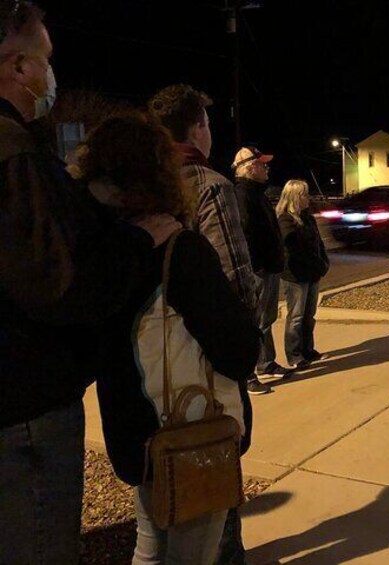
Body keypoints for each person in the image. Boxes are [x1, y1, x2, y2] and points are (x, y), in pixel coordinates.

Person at [0, 4, 175, 563]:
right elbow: (64, 284)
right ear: (20, 67)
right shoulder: (14, 154)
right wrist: (139, 239)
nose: (52, 73)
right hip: (25, 413)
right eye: (46, 59)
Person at [79, 113, 260, 564]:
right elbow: (238, 352)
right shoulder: (179, 249)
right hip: (188, 435)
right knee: (191, 553)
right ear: (161, 172)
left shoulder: (97, 248)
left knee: (150, 545)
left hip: (134, 435)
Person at [147, 84, 271, 397]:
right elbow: (236, 278)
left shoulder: (136, 182)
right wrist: (245, 348)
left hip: (145, 354)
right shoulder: (209, 185)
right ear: (199, 128)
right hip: (200, 351)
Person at [232, 145, 288, 378]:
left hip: (269, 266)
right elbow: (246, 235)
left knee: (266, 318)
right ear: (250, 168)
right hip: (260, 269)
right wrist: (257, 266)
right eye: (262, 164)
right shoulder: (244, 195)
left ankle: (266, 363)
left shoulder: (257, 193)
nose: (267, 168)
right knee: (258, 321)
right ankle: (252, 371)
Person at [276, 179, 329, 369]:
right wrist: (316, 262)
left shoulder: (308, 217)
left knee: (309, 314)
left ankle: (308, 349)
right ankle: (294, 355)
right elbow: (296, 249)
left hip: (313, 273)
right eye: (305, 194)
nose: (308, 198)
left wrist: (324, 261)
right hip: (296, 275)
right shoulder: (285, 219)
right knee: (296, 316)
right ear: (295, 197)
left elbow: (318, 243)